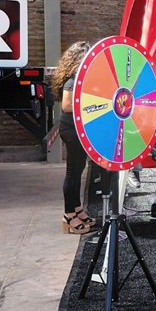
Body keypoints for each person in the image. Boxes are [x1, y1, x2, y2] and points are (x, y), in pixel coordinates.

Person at [49, 41, 96, 235]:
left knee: (78, 169)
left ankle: (77, 209)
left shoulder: (78, 77)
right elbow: (67, 106)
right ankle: (68, 215)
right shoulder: (73, 79)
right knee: (73, 172)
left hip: (78, 129)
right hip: (72, 129)